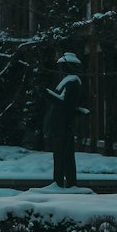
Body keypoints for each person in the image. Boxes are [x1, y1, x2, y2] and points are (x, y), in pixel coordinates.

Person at [46, 52, 84, 188]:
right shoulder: (67, 81)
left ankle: (63, 183)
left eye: (63, 66)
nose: (60, 69)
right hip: (59, 124)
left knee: (64, 156)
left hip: (64, 125)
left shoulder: (72, 81)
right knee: (62, 156)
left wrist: (47, 94)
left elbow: (65, 103)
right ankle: (60, 183)